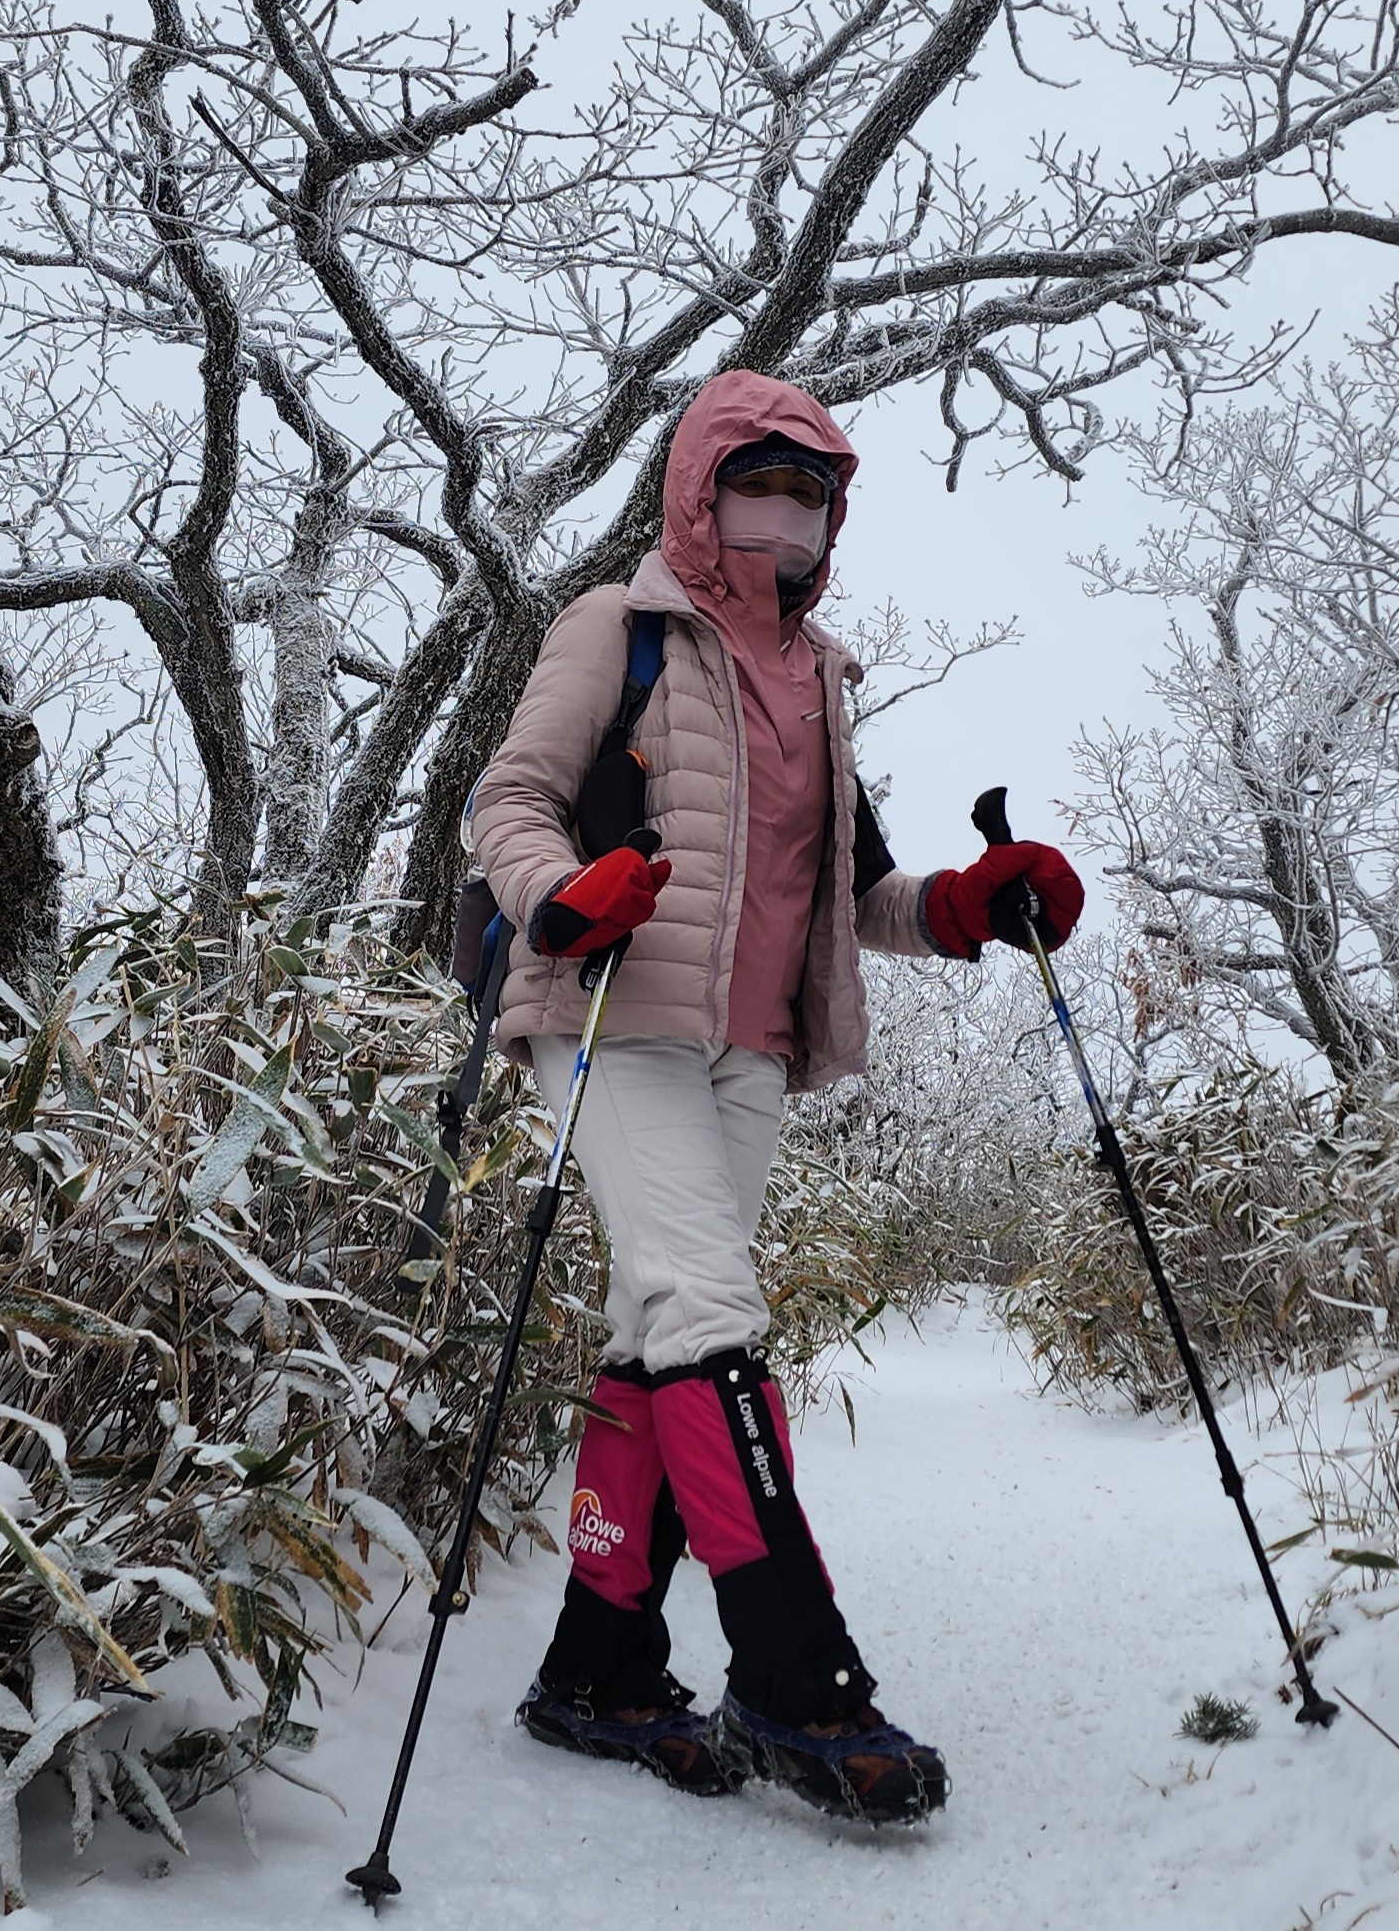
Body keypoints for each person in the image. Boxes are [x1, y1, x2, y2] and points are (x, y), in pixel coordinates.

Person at [469, 370, 1084, 1825]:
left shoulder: (819, 679)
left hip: (750, 1049)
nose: (786, 514)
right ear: (701, 490)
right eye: (760, 482)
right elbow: (509, 799)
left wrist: (969, 906)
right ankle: (799, 1682)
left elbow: (852, 894)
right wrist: (561, 893)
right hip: (611, 1013)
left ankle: (597, 1670)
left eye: (812, 491)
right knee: (709, 1310)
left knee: (656, 1335)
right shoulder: (620, 628)